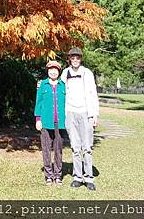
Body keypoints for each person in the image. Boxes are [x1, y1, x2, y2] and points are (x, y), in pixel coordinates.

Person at [61, 47, 99, 191]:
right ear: (69, 59)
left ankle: (89, 178)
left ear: (80, 59)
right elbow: (60, 91)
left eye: (77, 57)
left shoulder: (87, 73)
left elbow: (93, 94)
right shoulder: (65, 73)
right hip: (70, 113)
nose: (75, 60)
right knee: (75, 147)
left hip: (85, 113)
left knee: (87, 147)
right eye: (72, 57)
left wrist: (94, 114)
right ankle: (77, 177)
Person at [34, 60, 66, 186]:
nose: (53, 72)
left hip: (60, 122)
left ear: (59, 71)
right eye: (51, 69)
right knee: (46, 149)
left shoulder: (63, 85)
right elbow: (39, 102)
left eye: (56, 69)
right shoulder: (43, 85)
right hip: (46, 122)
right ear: (48, 71)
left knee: (58, 149)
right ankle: (48, 175)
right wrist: (38, 119)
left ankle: (58, 174)